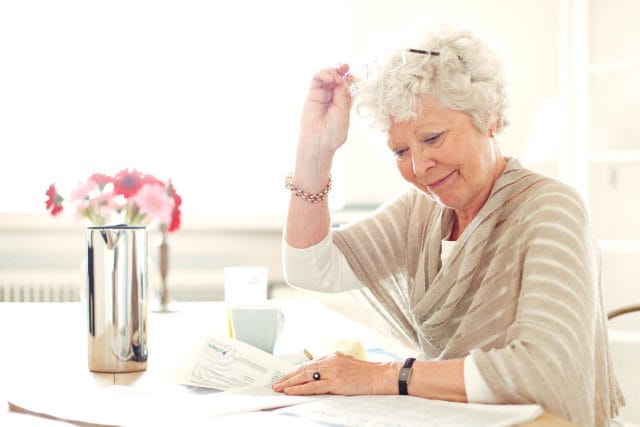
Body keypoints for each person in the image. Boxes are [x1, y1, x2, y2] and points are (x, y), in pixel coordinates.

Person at [271, 24, 624, 426]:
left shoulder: (551, 210)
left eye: (434, 138)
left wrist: (384, 377)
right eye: (401, 151)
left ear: (486, 117)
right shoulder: (419, 212)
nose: (420, 167)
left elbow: (540, 372)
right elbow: (309, 268)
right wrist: (314, 151)